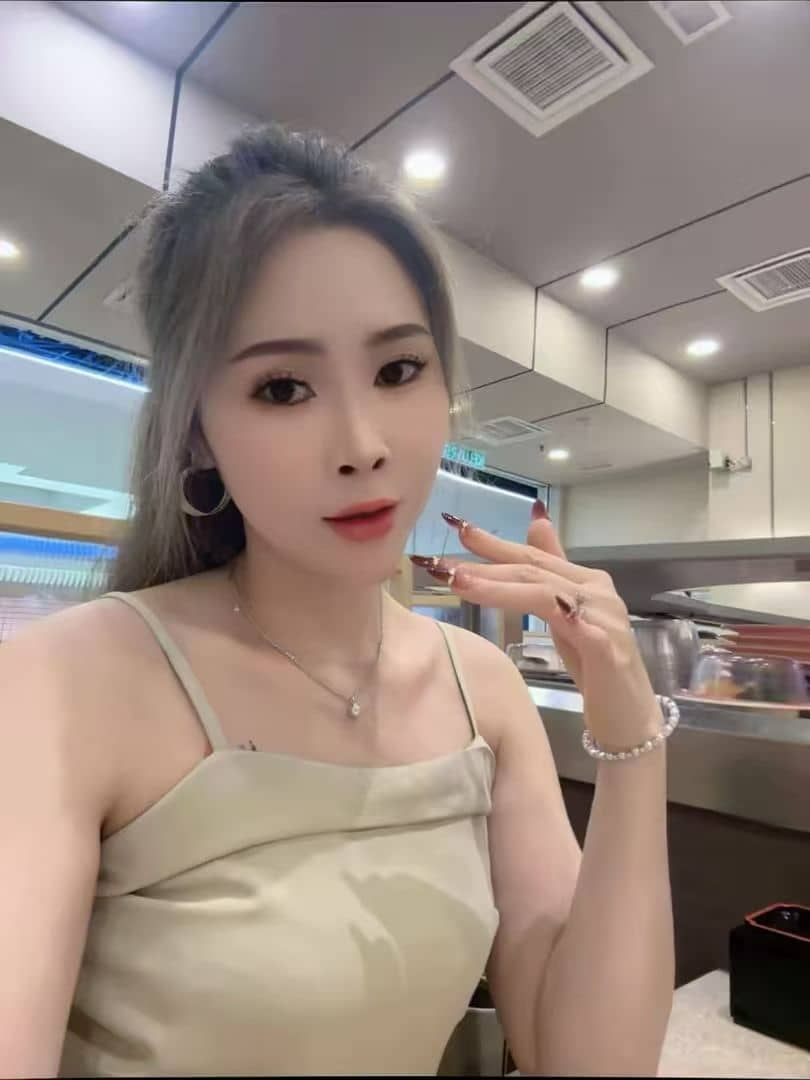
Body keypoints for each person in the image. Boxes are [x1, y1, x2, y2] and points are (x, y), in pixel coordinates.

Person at [0, 125, 674, 1077]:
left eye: (399, 370)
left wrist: (632, 731)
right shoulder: (64, 681)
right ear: (196, 434)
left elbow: (592, 1063)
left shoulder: (483, 691)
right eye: (283, 388)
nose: (363, 445)